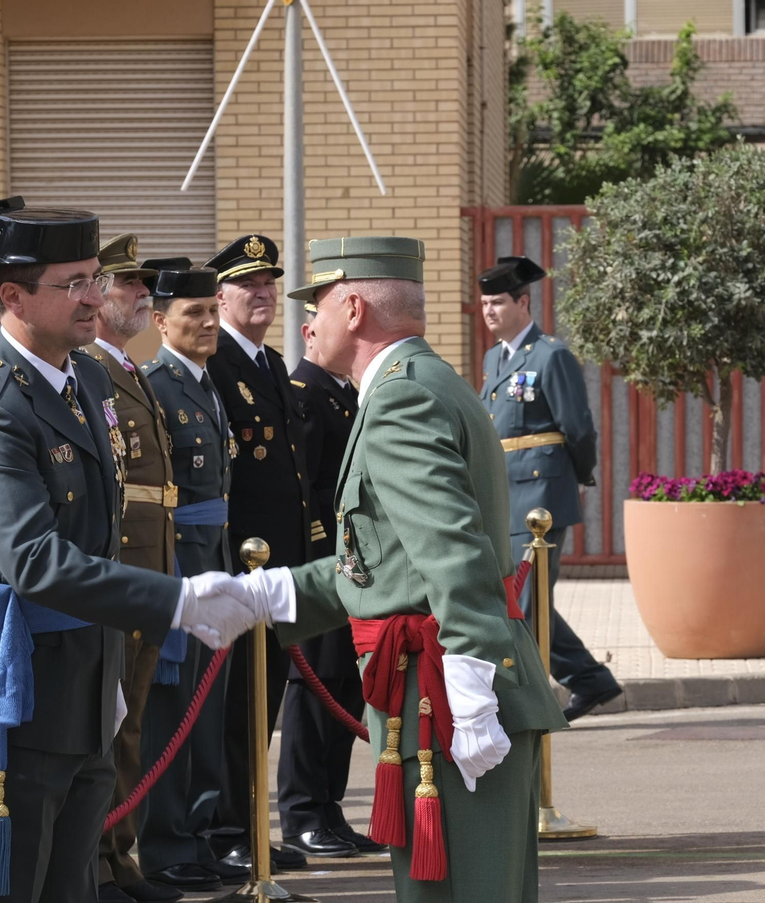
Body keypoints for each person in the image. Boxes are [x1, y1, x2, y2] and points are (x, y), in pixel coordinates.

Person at [0, 196, 259, 903]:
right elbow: (36, 560)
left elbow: (104, 530)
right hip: (16, 694)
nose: (94, 296)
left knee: (73, 886)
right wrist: (179, 599)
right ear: (12, 296)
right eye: (73, 282)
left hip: (88, 679)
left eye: (93, 276)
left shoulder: (84, 377)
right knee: (12, 887)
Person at [227, 236, 569, 903]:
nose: (308, 324)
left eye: (316, 305)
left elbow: (453, 549)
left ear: (353, 308)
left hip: (447, 693)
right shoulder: (422, 382)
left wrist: (469, 687)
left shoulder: (400, 400)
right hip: (440, 690)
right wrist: (266, 593)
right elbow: (382, 561)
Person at [203, 234, 311, 872]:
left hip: (278, 568)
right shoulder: (216, 366)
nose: (263, 293)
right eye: (249, 284)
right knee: (236, 706)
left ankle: (250, 826)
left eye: (269, 282)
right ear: (219, 298)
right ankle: (228, 830)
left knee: (264, 701)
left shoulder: (271, 365)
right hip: (238, 569)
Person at [136, 265, 245, 895]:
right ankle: (166, 840)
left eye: (211, 311)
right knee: (172, 705)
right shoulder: (157, 384)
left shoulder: (204, 383)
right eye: (192, 314)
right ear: (160, 322)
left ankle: (198, 832)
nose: (207, 323)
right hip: (182, 559)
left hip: (217, 552)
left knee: (207, 704)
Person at [477, 256, 621, 721]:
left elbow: (578, 429)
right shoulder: (493, 358)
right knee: (527, 601)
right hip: (504, 498)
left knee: (523, 600)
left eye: (498, 301)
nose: (489, 311)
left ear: (523, 302)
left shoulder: (550, 354)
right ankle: (591, 681)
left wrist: (574, 479)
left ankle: (522, 703)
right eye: (484, 303)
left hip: (540, 498)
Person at [83, 234, 181, 903]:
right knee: (107, 724)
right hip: (122, 569)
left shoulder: (128, 367)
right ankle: (95, 861)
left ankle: (120, 855)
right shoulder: (93, 366)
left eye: (146, 286)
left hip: (153, 568)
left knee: (132, 722)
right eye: (128, 284)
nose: (143, 294)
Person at [276, 303, 380, 859]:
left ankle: (329, 809)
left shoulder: (340, 391)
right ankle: (301, 813)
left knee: (343, 689)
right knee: (314, 692)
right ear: (310, 331)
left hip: (351, 566)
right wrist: (332, 552)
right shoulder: (305, 390)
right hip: (327, 564)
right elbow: (310, 489)